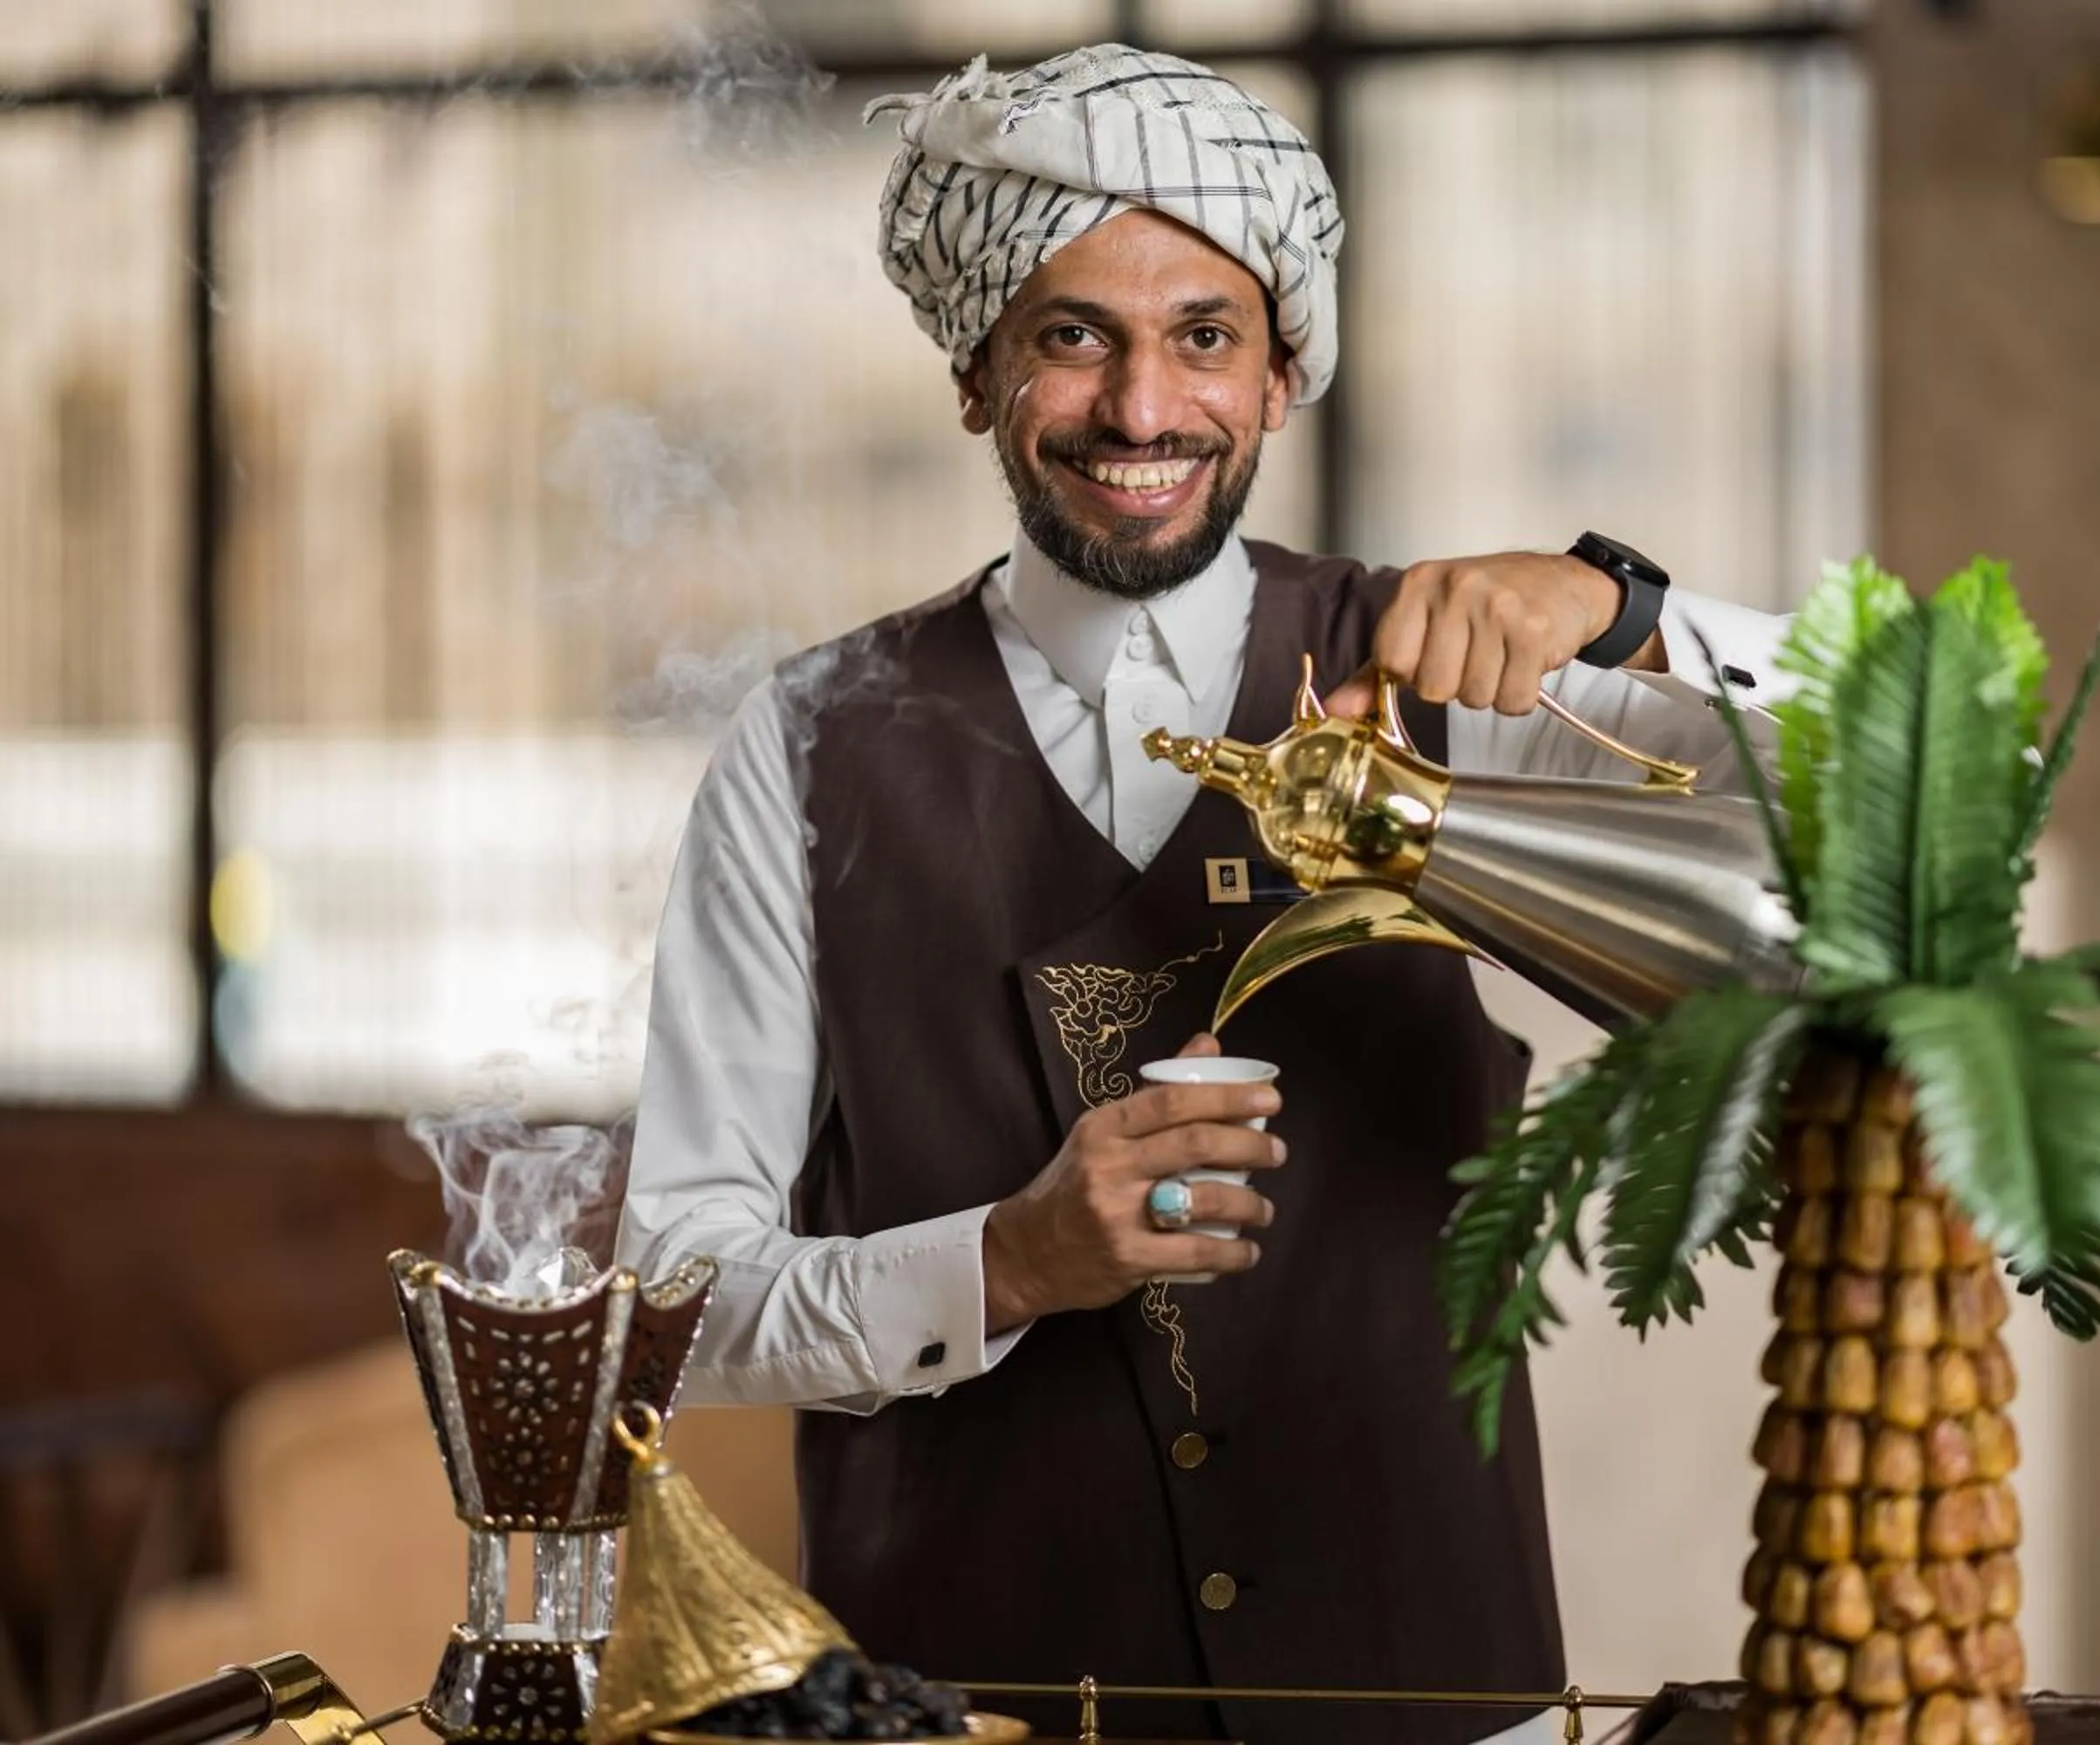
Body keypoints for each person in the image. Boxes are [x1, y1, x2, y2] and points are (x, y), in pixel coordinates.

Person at [619, 44, 1790, 1745]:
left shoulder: (1451, 663)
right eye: (1072, 334)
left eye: (1205, 337)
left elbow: (1906, 782)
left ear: (1282, 372)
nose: (1143, 408)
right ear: (976, 372)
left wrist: (1628, 612)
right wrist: (1001, 1262)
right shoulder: (806, 746)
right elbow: (674, 1294)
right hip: (977, 1711)